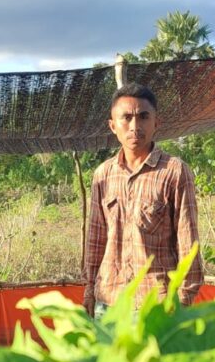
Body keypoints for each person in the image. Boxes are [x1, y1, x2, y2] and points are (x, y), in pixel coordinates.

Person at [82, 83, 203, 316]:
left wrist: (183, 301)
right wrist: (89, 290)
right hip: (108, 302)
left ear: (156, 122)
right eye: (126, 118)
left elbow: (188, 243)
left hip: (155, 305)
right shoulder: (103, 175)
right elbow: (96, 240)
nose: (135, 126)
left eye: (143, 117)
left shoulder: (174, 172)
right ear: (112, 126)